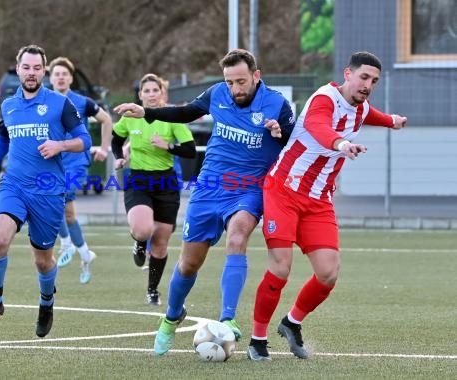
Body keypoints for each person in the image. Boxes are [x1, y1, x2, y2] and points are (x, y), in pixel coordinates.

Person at [113, 49, 295, 355]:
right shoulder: (218, 93)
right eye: (229, 82)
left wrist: (280, 133)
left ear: (256, 76)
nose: (235, 88)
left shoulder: (277, 104)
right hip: (209, 187)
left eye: (241, 81)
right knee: (189, 263)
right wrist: (148, 113)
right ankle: (171, 317)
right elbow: (186, 112)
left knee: (238, 237)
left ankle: (228, 319)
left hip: (248, 189)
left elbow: (293, 141)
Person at [247, 51, 407, 361]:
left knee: (328, 273)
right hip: (283, 191)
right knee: (281, 268)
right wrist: (342, 144)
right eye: (363, 77)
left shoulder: (359, 107)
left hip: (319, 199)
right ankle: (257, 339)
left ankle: (291, 323)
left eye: (374, 81)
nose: (368, 85)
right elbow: (321, 128)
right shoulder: (324, 99)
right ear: (348, 73)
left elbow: (370, 115)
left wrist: (393, 121)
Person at [0, 45, 92, 338]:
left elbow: (84, 139)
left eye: (37, 68)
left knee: (42, 260)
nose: (31, 73)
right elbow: (1, 144)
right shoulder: (9, 106)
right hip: (14, 185)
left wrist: (60, 145)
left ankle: (47, 302)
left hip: (48, 191)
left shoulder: (59, 104)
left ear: (43, 71)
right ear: (18, 69)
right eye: (26, 67)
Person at [112, 73, 196, 306]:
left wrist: (167, 146)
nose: (150, 94)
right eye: (146, 91)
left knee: (160, 242)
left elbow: (190, 150)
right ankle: (139, 243)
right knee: (142, 229)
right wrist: (120, 157)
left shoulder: (171, 118)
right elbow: (116, 140)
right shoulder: (130, 117)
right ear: (140, 95)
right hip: (139, 180)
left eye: (154, 90)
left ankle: (152, 289)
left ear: (162, 93)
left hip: (166, 183)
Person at [48, 56, 113, 284]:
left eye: (64, 74)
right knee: (66, 213)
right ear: (51, 78)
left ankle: (66, 242)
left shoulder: (83, 102)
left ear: (71, 78)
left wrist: (104, 149)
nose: (60, 77)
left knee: (58, 198)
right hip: (53, 160)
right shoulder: (43, 100)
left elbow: (106, 120)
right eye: (56, 74)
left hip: (76, 160)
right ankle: (85, 253)